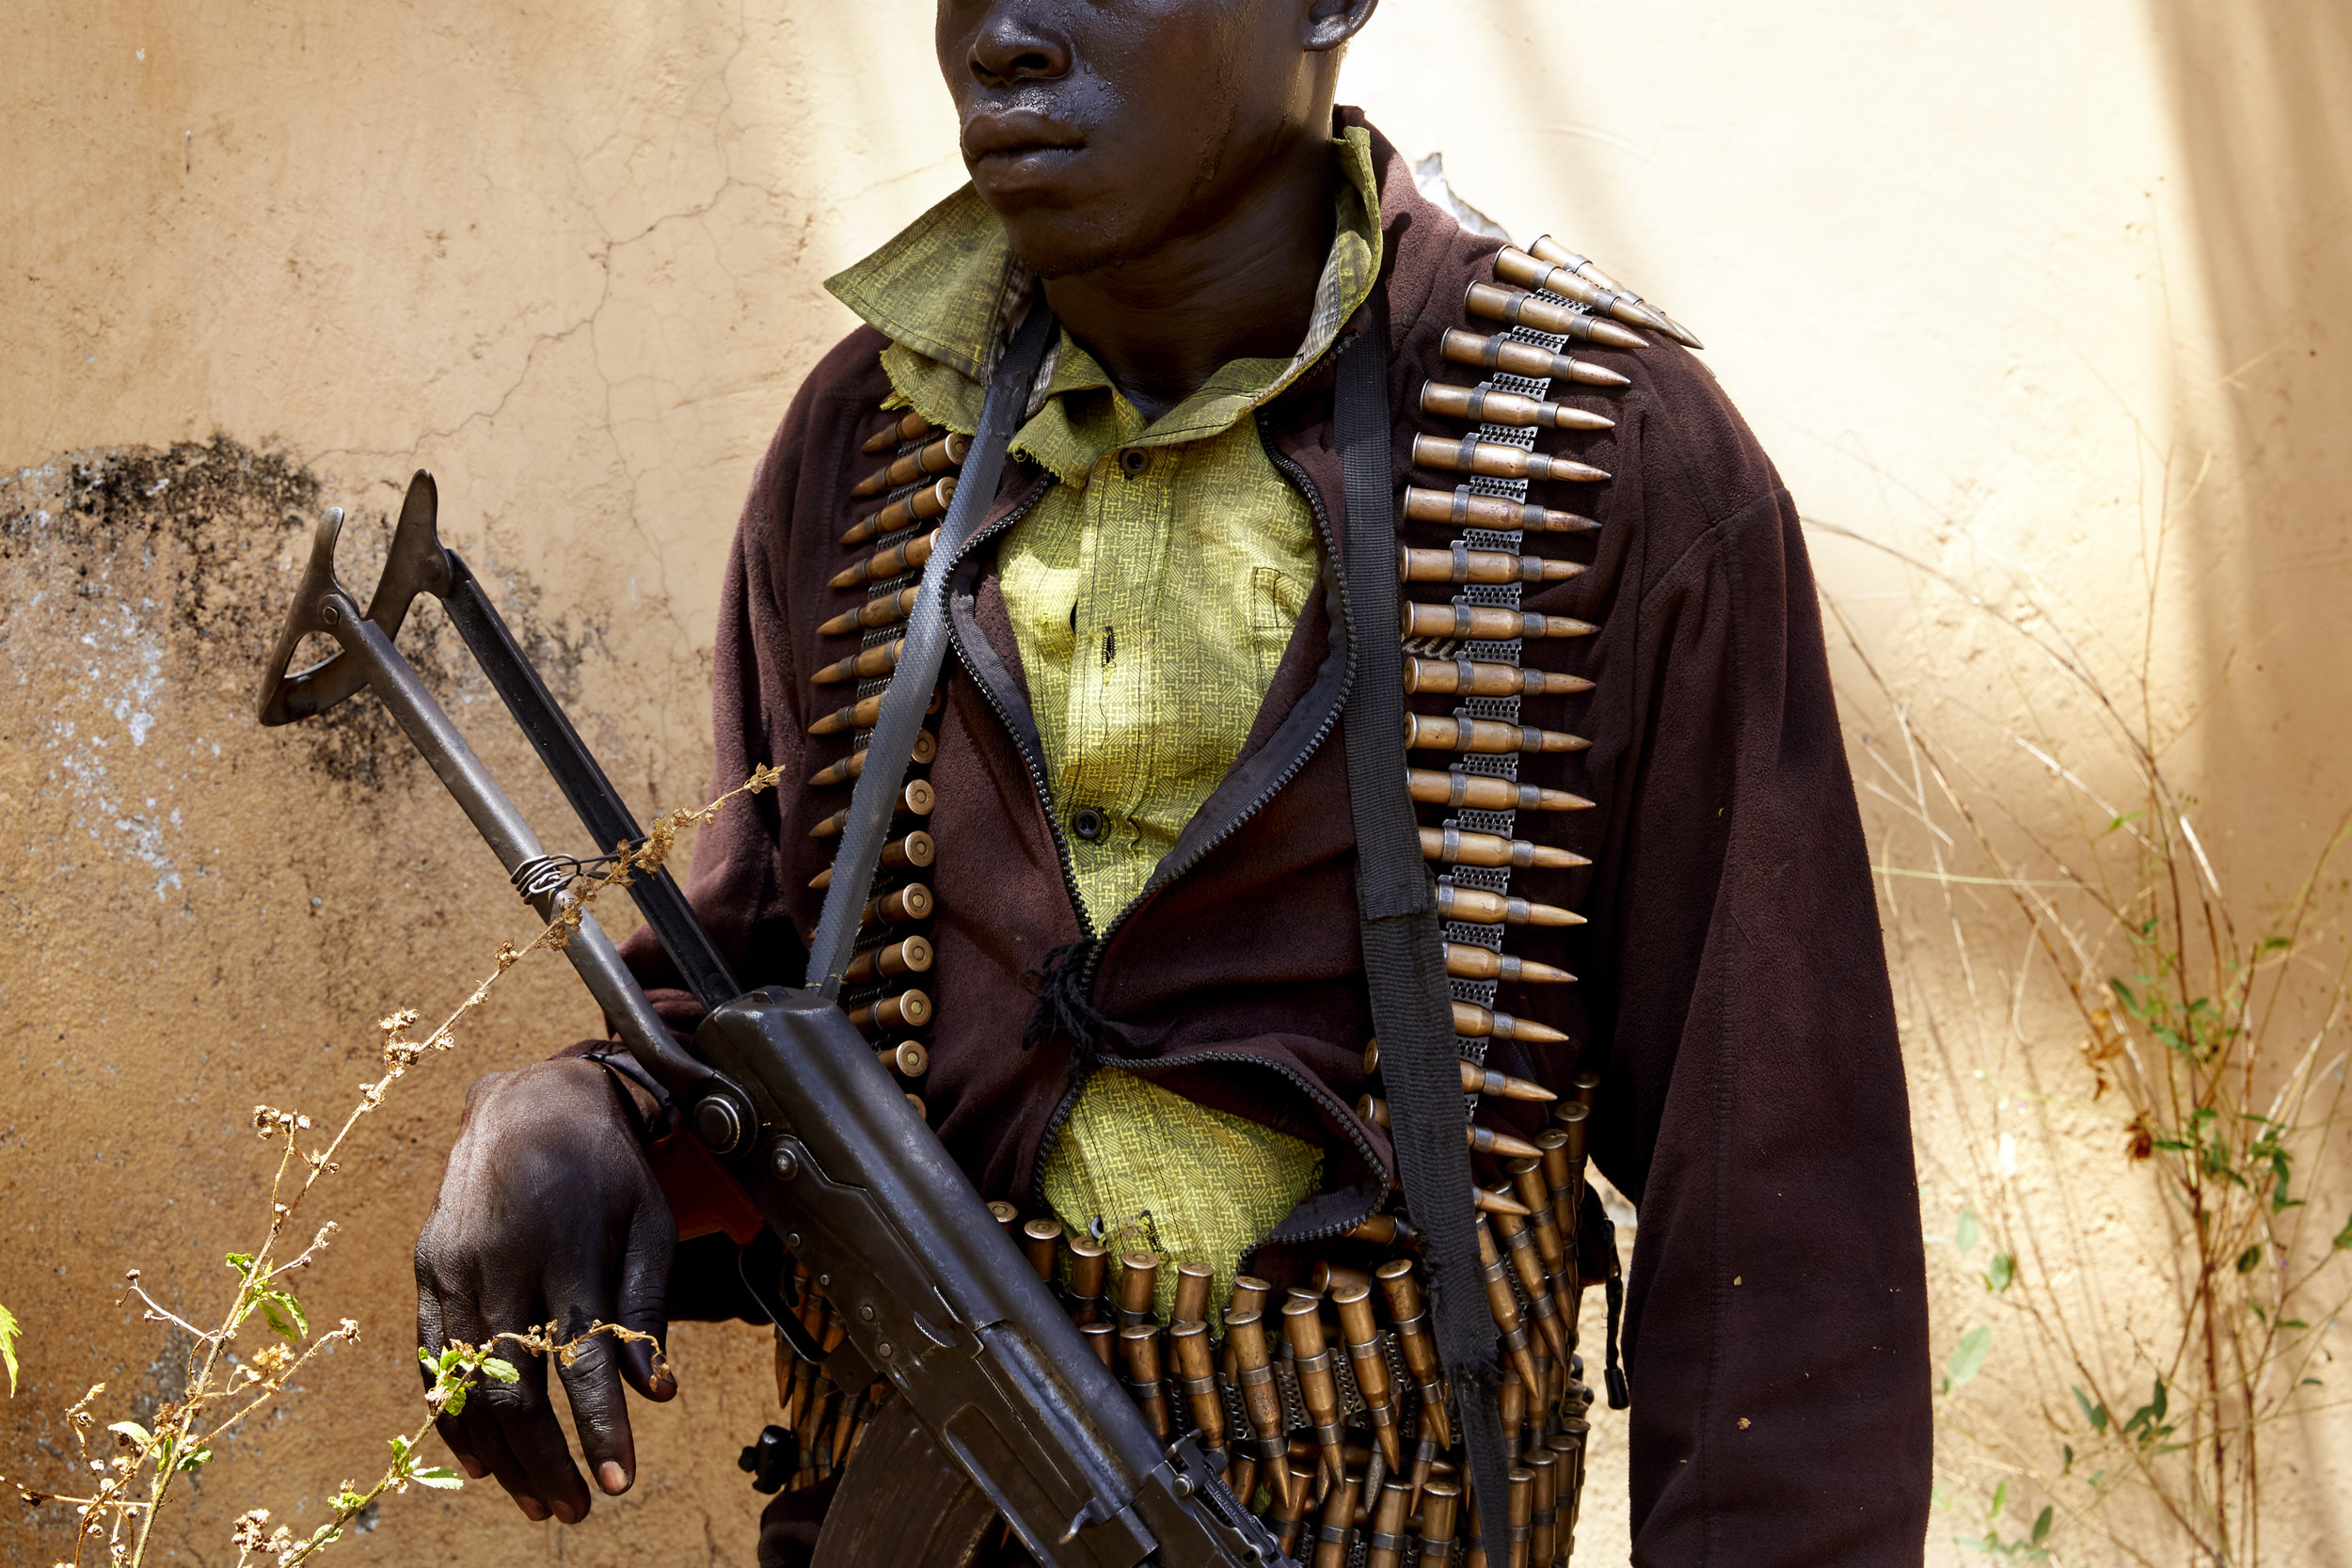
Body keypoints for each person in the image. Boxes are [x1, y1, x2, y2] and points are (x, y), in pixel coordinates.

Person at [412, 1, 1932, 1563]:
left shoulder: (1606, 459)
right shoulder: (866, 441)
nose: (1001, 34)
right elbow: (756, 1006)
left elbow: (1776, 1231)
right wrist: (577, 1112)